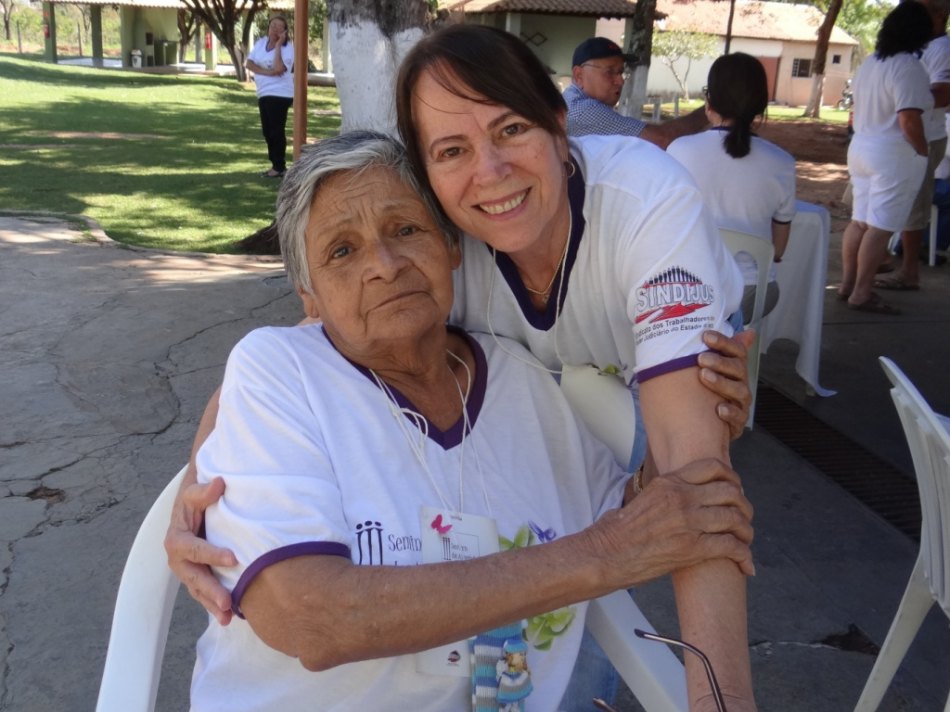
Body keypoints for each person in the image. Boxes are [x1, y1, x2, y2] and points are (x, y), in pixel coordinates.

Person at [187, 131, 754, 711]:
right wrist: (602, 555)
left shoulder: (519, 378)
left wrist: (700, 415)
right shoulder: (280, 372)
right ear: (309, 295)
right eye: (342, 252)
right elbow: (310, 619)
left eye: (406, 229)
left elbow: (632, 518)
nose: (384, 265)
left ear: (451, 246)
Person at [393, 24, 754, 711]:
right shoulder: (437, 246)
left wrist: (723, 700)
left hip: (658, 366)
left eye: (511, 129)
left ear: (560, 126)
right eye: (452, 150)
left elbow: (693, 475)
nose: (490, 171)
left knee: (644, 519)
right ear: (427, 173)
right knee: (537, 554)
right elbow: (306, 349)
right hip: (541, 389)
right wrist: (203, 480)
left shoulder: (642, 196)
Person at [668, 52, 796, 321]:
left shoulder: (679, 150)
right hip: (754, 293)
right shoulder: (782, 162)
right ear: (760, 105)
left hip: (684, 290)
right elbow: (778, 251)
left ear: (709, 101)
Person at [838, 1, 933, 315]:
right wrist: (922, 149)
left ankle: (848, 284)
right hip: (892, 154)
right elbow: (908, 118)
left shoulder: (871, 63)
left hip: (861, 146)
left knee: (860, 222)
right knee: (880, 227)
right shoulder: (908, 66)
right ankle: (862, 293)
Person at [877, 0, 950, 292]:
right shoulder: (912, 48)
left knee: (914, 205)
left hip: (925, 137)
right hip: (897, 136)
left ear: (941, 13)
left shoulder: (943, 49)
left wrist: (907, 97)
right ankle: (881, 255)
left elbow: (945, 94)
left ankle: (909, 272)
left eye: (923, 8)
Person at [565, 37, 708, 149]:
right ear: (579, 75)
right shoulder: (583, 110)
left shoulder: (570, 101)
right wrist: (710, 108)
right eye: (610, 72)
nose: (620, 81)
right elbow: (661, 139)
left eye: (621, 72)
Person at [246, 15, 294, 178]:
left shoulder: (288, 48)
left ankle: (279, 166)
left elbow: (279, 68)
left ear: (285, 31)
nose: (275, 29)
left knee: (276, 130)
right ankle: (275, 164)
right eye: (273, 25)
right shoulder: (261, 43)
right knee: (267, 131)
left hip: (280, 94)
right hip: (263, 92)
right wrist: (267, 72)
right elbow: (249, 63)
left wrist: (278, 45)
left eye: (279, 27)